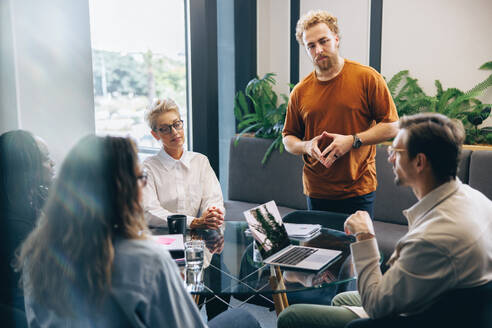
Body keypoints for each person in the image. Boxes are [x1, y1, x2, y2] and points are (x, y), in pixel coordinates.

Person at [17, 135, 260, 328]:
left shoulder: (37, 254)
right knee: (242, 319)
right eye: (139, 177)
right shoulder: (146, 260)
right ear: (121, 190)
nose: (143, 184)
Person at [277, 113, 492, 328]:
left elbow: (375, 305)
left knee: (291, 317)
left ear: (419, 162)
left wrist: (365, 236)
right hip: (444, 304)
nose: (389, 158)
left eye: (395, 152)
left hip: (423, 317)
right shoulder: (477, 200)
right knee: (341, 299)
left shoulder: (432, 238)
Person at [282, 10, 399, 217]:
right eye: (311, 46)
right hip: (317, 190)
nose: (318, 50)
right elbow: (288, 138)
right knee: (319, 250)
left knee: (359, 250)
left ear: (336, 39)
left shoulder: (367, 78)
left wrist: (353, 140)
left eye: (323, 41)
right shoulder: (300, 91)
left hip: (358, 188)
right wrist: (306, 146)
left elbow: (392, 126)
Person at [142, 98, 224, 230]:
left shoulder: (200, 161)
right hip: (162, 237)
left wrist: (211, 214)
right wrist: (193, 222)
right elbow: (149, 212)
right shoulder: (147, 168)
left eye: (176, 124)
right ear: (155, 134)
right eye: (165, 129)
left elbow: (213, 199)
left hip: (197, 238)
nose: (174, 132)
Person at [0, 130, 54, 313]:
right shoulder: (13, 225)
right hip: (23, 301)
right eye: (46, 159)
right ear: (27, 167)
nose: (52, 163)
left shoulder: (39, 194)